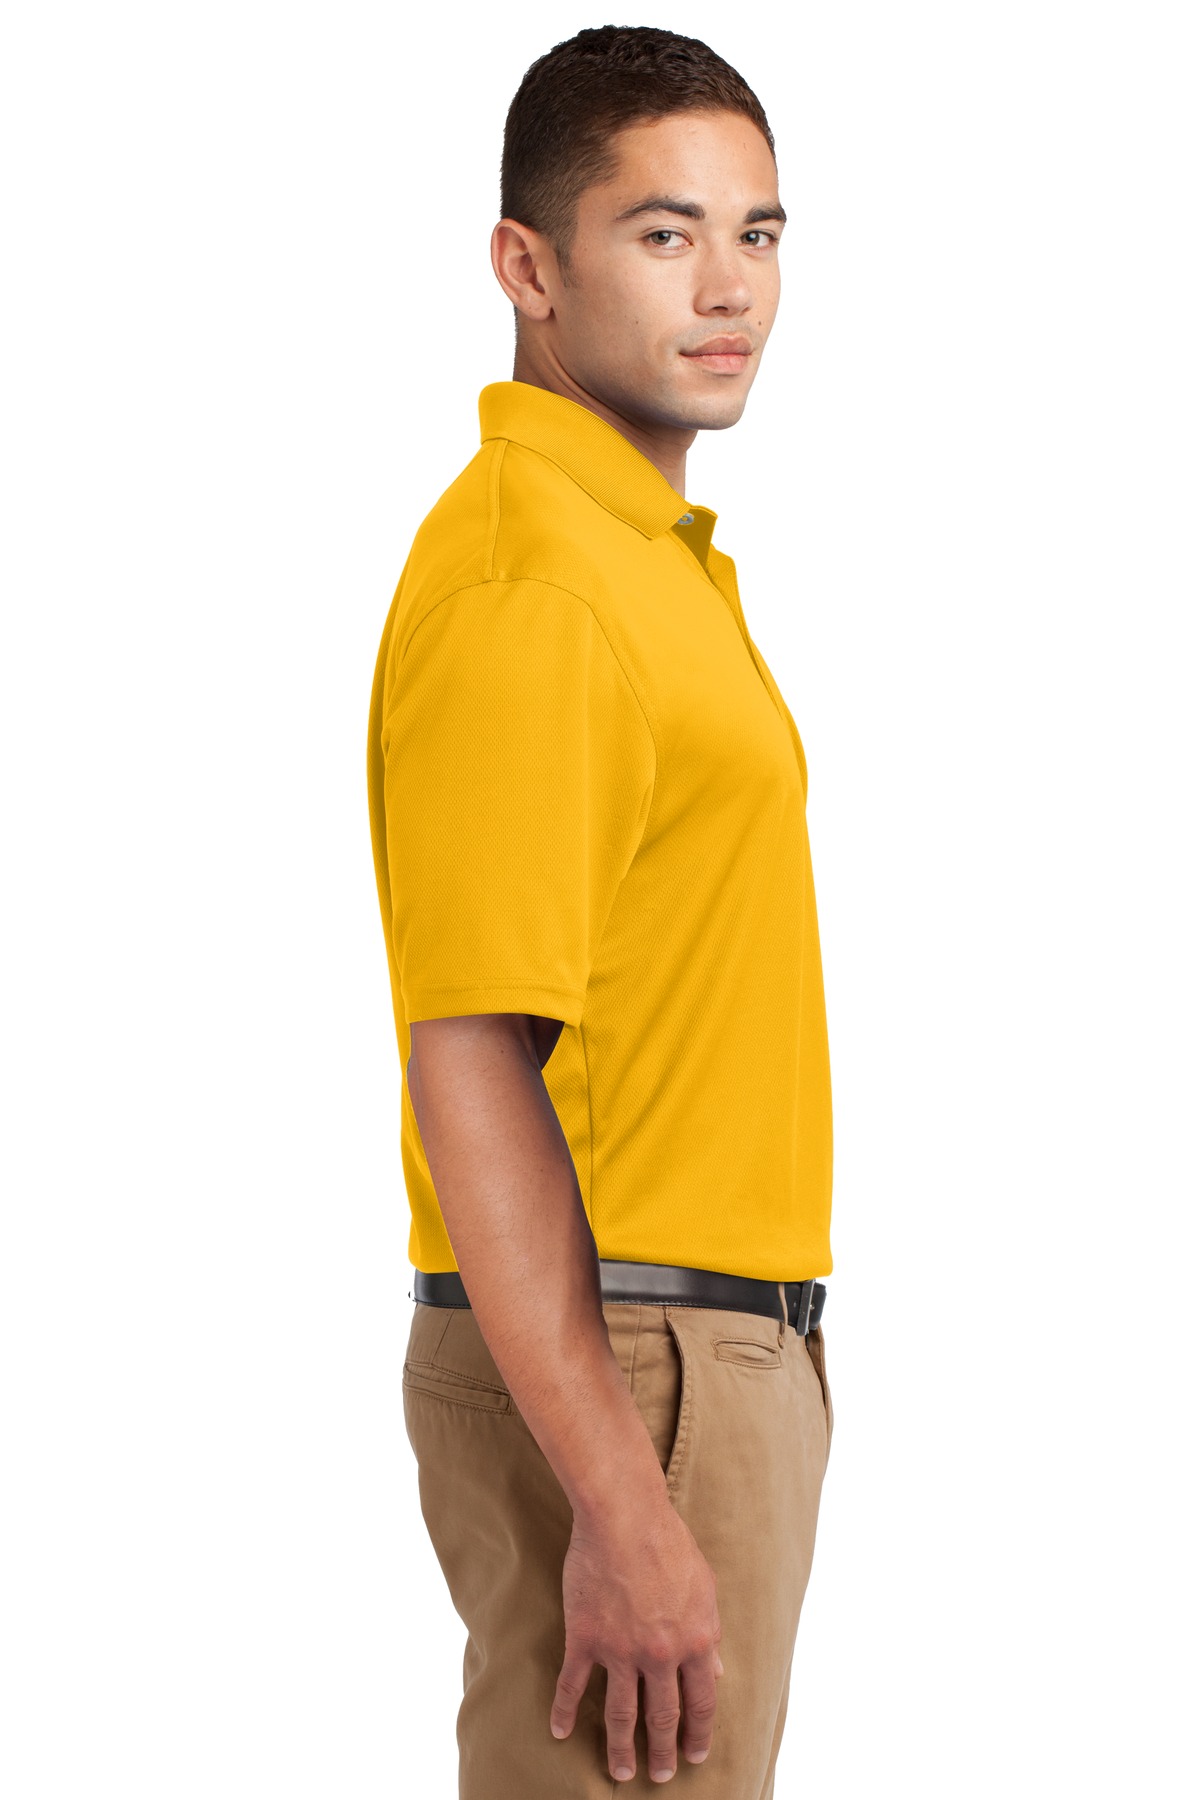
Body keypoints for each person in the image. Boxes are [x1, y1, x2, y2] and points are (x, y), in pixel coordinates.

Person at [366, 25, 835, 1796]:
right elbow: (472, 1049)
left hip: (686, 1355)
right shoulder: (539, 585)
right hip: (628, 1364)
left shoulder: (632, 560)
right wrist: (626, 1504)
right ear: (529, 266)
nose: (729, 288)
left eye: (759, 233)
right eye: (663, 233)